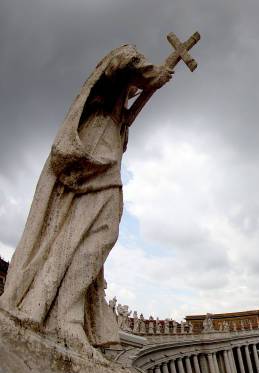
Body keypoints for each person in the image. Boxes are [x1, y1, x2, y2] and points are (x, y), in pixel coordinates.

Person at [0, 44, 172, 353]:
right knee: (92, 231)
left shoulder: (120, 110)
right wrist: (151, 75)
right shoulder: (111, 81)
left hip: (108, 154)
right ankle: (66, 320)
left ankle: (68, 316)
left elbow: (126, 113)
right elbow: (122, 60)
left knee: (100, 233)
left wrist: (145, 88)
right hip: (95, 150)